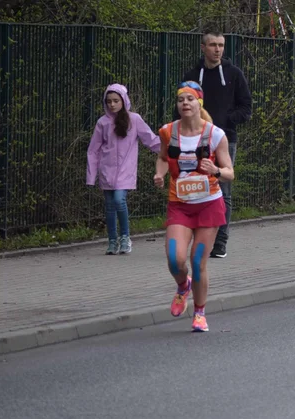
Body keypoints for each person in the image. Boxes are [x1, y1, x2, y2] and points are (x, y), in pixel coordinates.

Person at [153, 82, 234, 332]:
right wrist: (159, 174)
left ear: (199, 103)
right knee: (174, 258)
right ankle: (182, 285)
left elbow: (230, 172)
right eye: (181, 100)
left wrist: (217, 170)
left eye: (190, 99)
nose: (185, 103)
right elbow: (163, 157)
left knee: (198, 260)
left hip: (209, 204)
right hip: (180, 204)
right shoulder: (167, 131)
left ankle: (199, 312)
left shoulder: (216, 134)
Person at [180, 30, 252, 259]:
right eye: (213, 45)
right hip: (195, 140)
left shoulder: (233, 74)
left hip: (224, 139)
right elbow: (181, 105)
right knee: (195, 187)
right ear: (203, 47)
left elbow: (246, 107)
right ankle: (199, 238)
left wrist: (225, 122)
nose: (218, 50)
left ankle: (220, 242)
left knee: (223, 190)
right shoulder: (193, 76)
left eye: (221, 45)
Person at [86, 84, 160, 254]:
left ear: (123, 101)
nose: (112, 104)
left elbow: (150, 140)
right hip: (107, 171)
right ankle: (112, 241)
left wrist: (170, 148)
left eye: (116, 101)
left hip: (126, 170)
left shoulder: (134, 119)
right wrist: (91, 176)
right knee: (110, 206)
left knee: (119, 200)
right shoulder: (102, 123)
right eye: (109, 101)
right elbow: (93, 150)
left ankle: (125, 237)